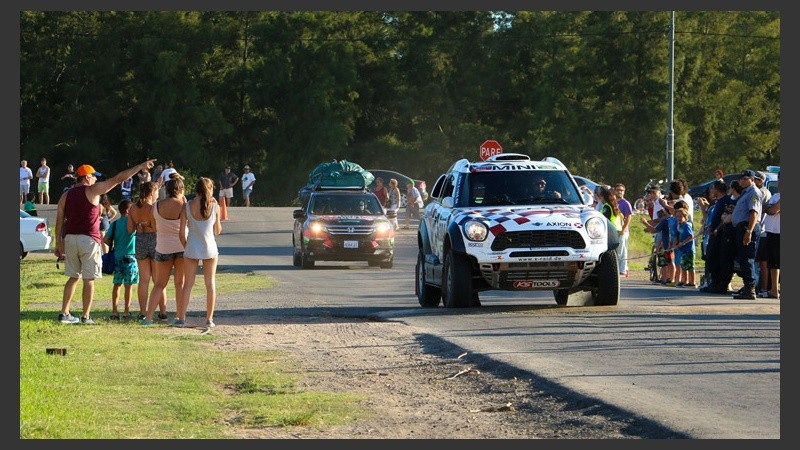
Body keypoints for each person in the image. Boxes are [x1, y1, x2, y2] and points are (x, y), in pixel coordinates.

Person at [53, 158, 156, 324]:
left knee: (73, 277)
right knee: (89, 279)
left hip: (70, 239)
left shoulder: (66, 195)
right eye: (93, 176)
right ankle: (86, 316)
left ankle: (64, 313)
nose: (95, 179)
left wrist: (58, 243)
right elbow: (117, 179)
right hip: (89, 240)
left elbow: (59, 220)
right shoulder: (92, 190)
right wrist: (140, 167)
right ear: (86, 177)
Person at [177, 177, 222, 328]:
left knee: (188, 284)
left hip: (192, 247)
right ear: (210, 189)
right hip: (209, 247)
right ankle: (209, 318)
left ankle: (181, 317)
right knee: (210, 283)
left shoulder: (187, 206)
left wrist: (186, 246)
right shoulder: (215, 206)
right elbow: (217, 231)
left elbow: (181, 232)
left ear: (196, 190)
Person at [142, 177, 187, 325]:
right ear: (180, 190)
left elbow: (154, 227)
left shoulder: (156, 206)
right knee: (179, 283)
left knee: (160, 284)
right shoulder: (183, 206)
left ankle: (148, 318)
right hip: (182, 247)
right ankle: (180, 317)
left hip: (163, 247)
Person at [127, 181, 164, 320]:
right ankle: (162, 311)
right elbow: (156, 228)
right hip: (154, 240)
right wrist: (148, 223)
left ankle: (143, 311)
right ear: (152, 193)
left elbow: (130, 230)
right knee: (159, 280)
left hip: (140, 240)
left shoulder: (132, 209)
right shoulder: (153, 208)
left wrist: (140, 223)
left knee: (144, 279)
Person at [103, 200, 139, 320]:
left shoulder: (115, 223)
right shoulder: (133, 223)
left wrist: (115, 243)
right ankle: (126, 311)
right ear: (128, 211)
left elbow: (105, 239)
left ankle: (114, 311)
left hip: (117, 256)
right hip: (131, 256)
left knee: (117, 284)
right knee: (128, 285)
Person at [730, 170, 763, 300]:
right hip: (741, 227)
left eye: (745, 179)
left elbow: (754, 213)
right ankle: (747, 286)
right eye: (741, 179)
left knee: (747, 258)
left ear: (752, 179)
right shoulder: (746, 192)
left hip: (748, 228)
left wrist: (749, 231)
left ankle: (750, 288)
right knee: (743, 259)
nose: (741, 181)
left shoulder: (753, 192)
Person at [759, 174, 780, 299]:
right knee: (772, 263)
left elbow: (773, 210)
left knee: (778, 262)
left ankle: (775, 290)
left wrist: (769, 208)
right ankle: (773, 289)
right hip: (771, 232)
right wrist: (769, 208)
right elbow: (766, 207)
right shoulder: (775, 196)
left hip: (779, 233)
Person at [669, 207, 697, 288]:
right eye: (677, 217)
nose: (679, 218)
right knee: (683, 266)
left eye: (681, 216)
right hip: (682, 250)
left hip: (688, 249)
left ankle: (692, 282)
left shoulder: (687, 225)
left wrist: (683, 243)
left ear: (685, 217)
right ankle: (685, 281)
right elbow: (677, 237)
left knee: (690, 266)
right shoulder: (679, 226)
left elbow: (690, 236)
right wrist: (674, 245)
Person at [614, 183, 633, 277]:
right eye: (618, 190)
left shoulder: (625, 203)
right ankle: (619, 268)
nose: (619, 192)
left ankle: (622, 269)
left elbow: (628, 217)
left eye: (621, 190)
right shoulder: (613, 202)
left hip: (623, 230)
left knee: (622, 250)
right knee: (616, 250)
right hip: (614, 229)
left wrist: (623, 229)